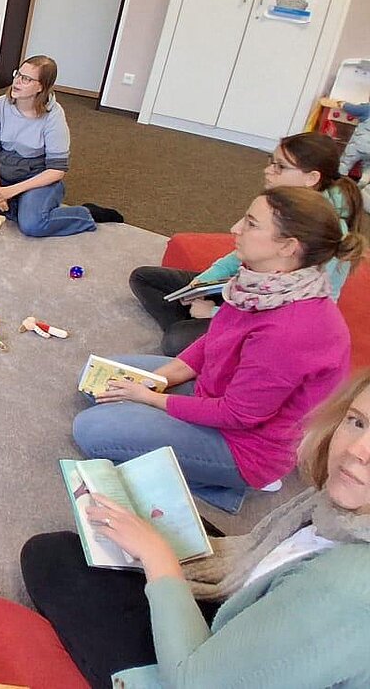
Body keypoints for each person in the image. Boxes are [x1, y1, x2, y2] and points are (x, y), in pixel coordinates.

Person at [23, 371, 370, 688]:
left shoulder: (346, 589)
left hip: (195, 677)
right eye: (358, 422)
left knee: (52, 556)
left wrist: (158, 557)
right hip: (261, 613)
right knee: (155, 526)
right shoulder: (337, 509)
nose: (357, 450)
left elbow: (193, 683)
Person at [74, 186, 364, 513]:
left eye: (251, 224)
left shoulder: (292, 329)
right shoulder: (262, 283)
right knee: (96, 381)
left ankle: (226, 483)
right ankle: (167, 440)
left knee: (91, 429)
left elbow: (237, 415)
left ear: (287, 247)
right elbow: (214, 340)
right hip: (216, 390)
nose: (235, 228)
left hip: (243, 444)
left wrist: (150, 398)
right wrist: (158, 379)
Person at [129, 132, 366, 356]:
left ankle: (202, 337)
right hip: (244, 289)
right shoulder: (280, 204)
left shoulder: (322, 230)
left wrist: (214, 313)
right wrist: (201, 283)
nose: (268, 170)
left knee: (175, 340)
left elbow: (289, 312)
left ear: (311, 178)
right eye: (271, 161)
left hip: (266, 313)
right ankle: (201, 334)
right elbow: (237, 257)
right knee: (144, 278)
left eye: (280, 166)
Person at [0, 55, 121, 237]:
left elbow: (56, 171)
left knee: (33, 225)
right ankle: (19, 205)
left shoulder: (54, 116)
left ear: (41, 87)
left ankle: (86, 213)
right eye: (18, 74)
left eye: (26, 79)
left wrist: (10, 191)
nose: (17, 82)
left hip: (37, 179)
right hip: (3, 174)